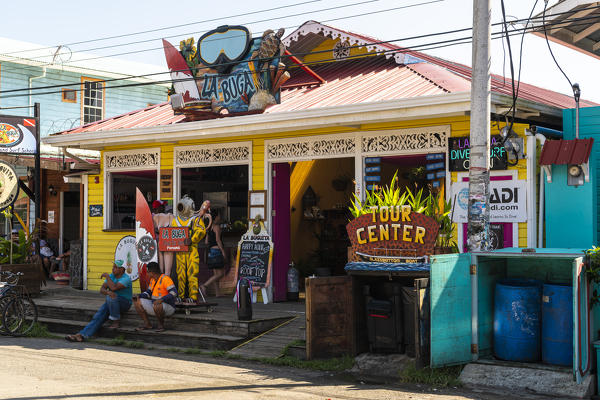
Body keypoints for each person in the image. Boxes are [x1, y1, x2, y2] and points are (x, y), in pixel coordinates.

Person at [65, 260, 132, 342]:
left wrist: (107, 277)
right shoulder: (112, 276)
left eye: (115, 267)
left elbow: (114, 288)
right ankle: (81, 335)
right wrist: (108, 291)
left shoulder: (126, 278)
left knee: (110, 297)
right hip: (112, 303)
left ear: (122, 269)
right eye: (113, 267)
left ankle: (116, 321)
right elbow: (102, 289)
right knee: (98, 316)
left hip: (124, 303)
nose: (112, 269)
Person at [171, 196, 209, 303]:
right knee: (180, 274)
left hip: (192, 250)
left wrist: (192, 240)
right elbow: (171, 234)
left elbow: (201, 231)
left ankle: (193, 296)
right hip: (180, 251)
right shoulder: (176, 220)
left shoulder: (195, 219)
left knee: (192, 273)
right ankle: (181, 295)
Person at [133, 261, 177, 332]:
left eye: (148, 272)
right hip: (155, 305)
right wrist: (138, 295)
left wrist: (162, 299)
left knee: (157, 304)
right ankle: (147, 324)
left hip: (169, 307)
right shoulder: (153, 280)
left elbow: (174, 293)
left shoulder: (166, 279)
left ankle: (161, 325)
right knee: (136, 301)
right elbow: (148, 293)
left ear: (152, 272)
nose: (147, 273)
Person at [200, 208, 228, 298]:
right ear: (215, 217)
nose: (220, 217)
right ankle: (204, 286)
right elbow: (218, 240)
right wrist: (223, 251)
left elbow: (206, 242)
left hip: (211, 252)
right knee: (220, 274)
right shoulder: (217, 227)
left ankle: (217, 293)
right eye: (219, 215)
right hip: (217, 251)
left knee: (216, 274)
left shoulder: (209, 227)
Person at [152, 200, 175, 276]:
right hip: (157, 244)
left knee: (165, 271)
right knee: (162, 270)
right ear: (157, 208)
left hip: (165, 243)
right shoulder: (153, 217)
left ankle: (164, 284)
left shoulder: (168, 216)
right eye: (162, 206)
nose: (164, 208)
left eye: (163, 206)